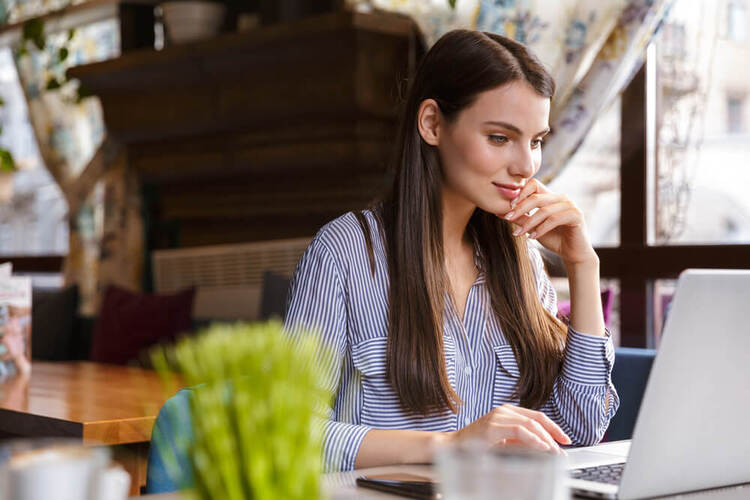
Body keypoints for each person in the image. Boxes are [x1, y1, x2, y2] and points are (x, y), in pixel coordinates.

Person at [284, 29, 619, 472]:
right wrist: (449, 446)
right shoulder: (344, 254)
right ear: (432, 124)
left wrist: (582, 265)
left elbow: (580, 429)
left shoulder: (521, 260)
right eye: (500, 138)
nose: (525, 166)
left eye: (535, 141)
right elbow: (286, 432)